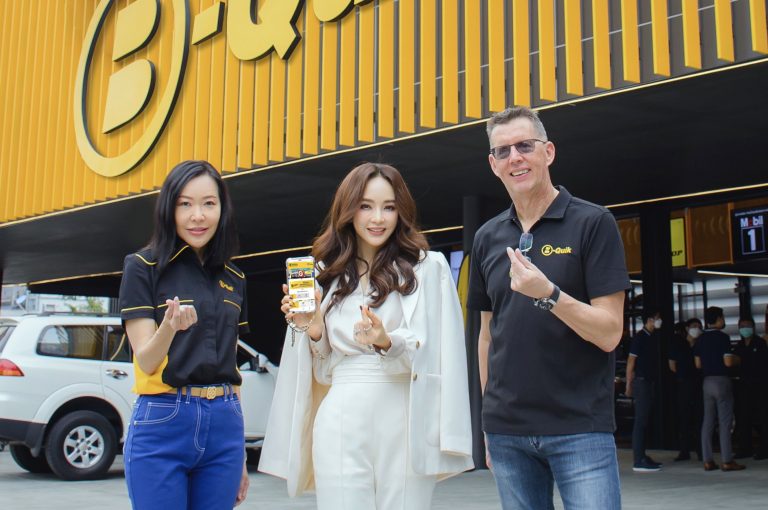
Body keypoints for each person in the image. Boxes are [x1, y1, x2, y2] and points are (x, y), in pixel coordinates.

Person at [259, 163, 474, 509]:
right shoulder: (325, 274)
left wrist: (386, 341)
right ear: (348, 210)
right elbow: (323, 372)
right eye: (366, 206)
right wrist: (314, 330)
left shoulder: (429, 267)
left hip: (406, 416)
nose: (378, 218)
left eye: (389, 207)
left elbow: (440, 354)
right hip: (340, 417)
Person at [468, 106, 629, 510]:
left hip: (579, 428)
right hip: (507, 433)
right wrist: (488, 422)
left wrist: (550, 294)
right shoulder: (487, 237)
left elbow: (610, 332)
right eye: (503, 151)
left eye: (525, 146)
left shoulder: (593, 223)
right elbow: (487, 336)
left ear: (549, 152)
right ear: (493, 164)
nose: (515, 158)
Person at [118, 160, 250, 509]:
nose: (198, 216)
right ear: (169, 209)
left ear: (222, 209)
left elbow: (232, 365)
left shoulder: (235, 278)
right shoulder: (143, 267)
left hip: (225, 422)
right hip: (164, 418)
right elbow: (146, 361)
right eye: (185, 204)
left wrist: (240, 456)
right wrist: (169, 327)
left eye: (209, 203)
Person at [693, 306, 746, 472]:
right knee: (725, 422)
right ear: (718, 319)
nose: (723, 320)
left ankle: (707, 460)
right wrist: (738, 359)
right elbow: (728, 362)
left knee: (708, 421)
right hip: (721, 380)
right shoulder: (723, 337)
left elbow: (698, 364)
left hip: (707, 381)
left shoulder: (700, 339)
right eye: (722, 317)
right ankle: (727, 460)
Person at [626, 311, 663, 471]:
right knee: (640, 421)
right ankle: (638, 459)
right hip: (641, 382)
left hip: (648, 382)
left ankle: (643, 454)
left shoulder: (651, 337)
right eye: (657, 318)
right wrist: (629, 384)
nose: (659, 321)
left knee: (645, 419)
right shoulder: (640, 337)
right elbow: (631, 361)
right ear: (649, 320)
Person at [732, 316, 768, 460]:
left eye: (747, 325)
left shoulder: (760, 343)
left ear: (753, 327)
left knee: (763, 418)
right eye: (742, 326)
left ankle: (764, 449)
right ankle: (745, 449)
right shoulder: (739, 345)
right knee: (743, 417)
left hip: (760, 385)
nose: (745, 328)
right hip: (744, 386)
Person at [668, 317, 704, 461]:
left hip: (699, 385)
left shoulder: (701, 344)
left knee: (700, 417)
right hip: (684, 384)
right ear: (687, 328)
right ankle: (684, 450)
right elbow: (672, 365)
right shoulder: (678, 344)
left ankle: (701, 450)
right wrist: (682, 375)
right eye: (694, 326)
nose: (697, 329)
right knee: (684, 418)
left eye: (699, 326)